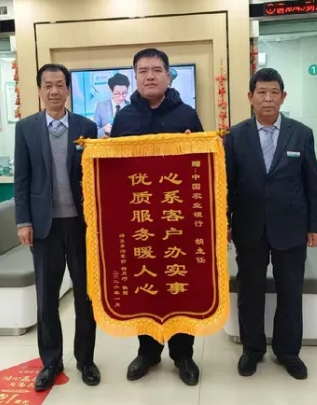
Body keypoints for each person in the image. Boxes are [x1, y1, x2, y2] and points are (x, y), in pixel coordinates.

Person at [110, 48, 204, 386]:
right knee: (144, 287)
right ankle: (148, 352)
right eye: (143, 70)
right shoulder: (124, 119)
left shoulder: (187, 115)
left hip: (177, 222)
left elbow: (203, 168)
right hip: (139, 223)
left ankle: (183, 354)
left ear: (167, 75)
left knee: (180, 287)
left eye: (156, 70)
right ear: (135, 76)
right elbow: (111, 173)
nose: (150, 76)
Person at [224, 68, 317, 380]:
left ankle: (288, 352)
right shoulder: (235, 136)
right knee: (250, 291)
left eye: (274, 92)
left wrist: (316, 224)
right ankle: (251, 350)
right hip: (249, 226)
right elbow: (226, 184)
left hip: (291, 226)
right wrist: (224, 221)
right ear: (250, 97)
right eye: (262, 92)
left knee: (290, 291)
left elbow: (312, 183)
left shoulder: (301, 133)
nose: (268, 98)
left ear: (283, 97)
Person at [14, 63, 100, 391]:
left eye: (59, 84)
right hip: (44, 227)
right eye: (47, 85)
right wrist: (24, 221)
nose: (54, 91)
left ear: (68, 90)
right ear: (39, 90)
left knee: (85, 296)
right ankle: (51, 361)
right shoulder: (26, 128)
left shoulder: (86, 127)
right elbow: (21, 179)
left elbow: (95, 177)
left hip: (81, 226)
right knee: (46, 298)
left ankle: (86, 359)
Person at [93, 72, 131, 138]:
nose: (121, 96)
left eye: (124, 93)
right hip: (107, 143)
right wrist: (104, 130)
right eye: (117, 93)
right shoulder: (101, 106)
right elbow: (93, 132)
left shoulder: (132, 106)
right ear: (111, 90)